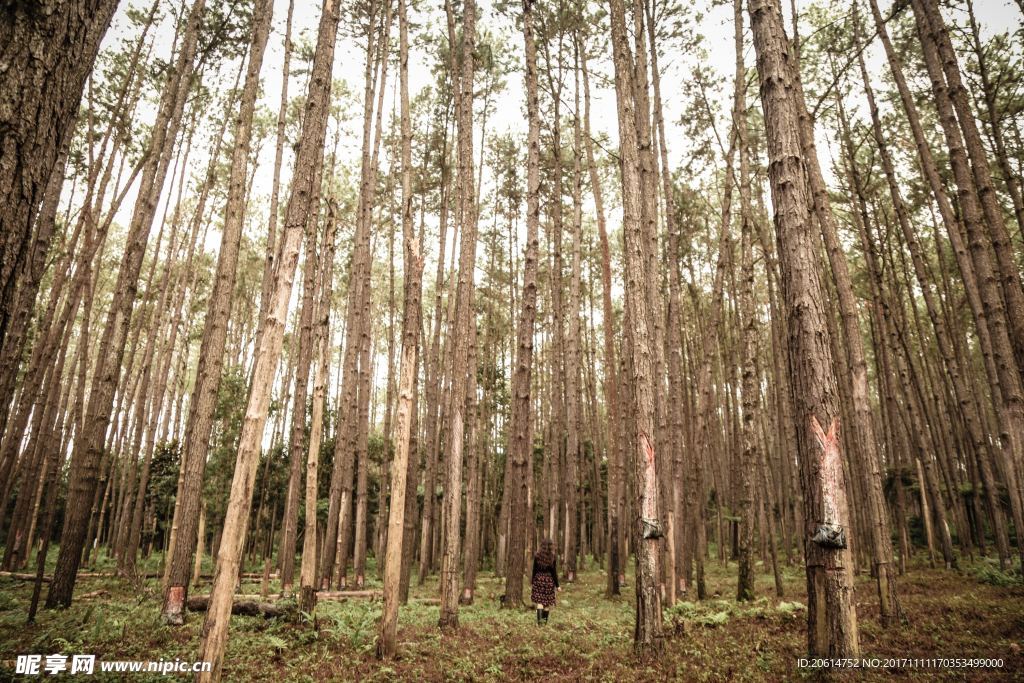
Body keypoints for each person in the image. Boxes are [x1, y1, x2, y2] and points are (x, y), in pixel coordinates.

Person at [531, 538, 559, 624]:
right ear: (550, 547)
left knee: (540, 602)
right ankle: (544, 624)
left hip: (538, 580)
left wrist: (532, 581)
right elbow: (554, 572)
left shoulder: (537, 556)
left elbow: (534, 570)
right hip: (548, 581)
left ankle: (540, 624)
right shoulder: (552, 557)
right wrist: (558, 585)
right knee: (547, 604)